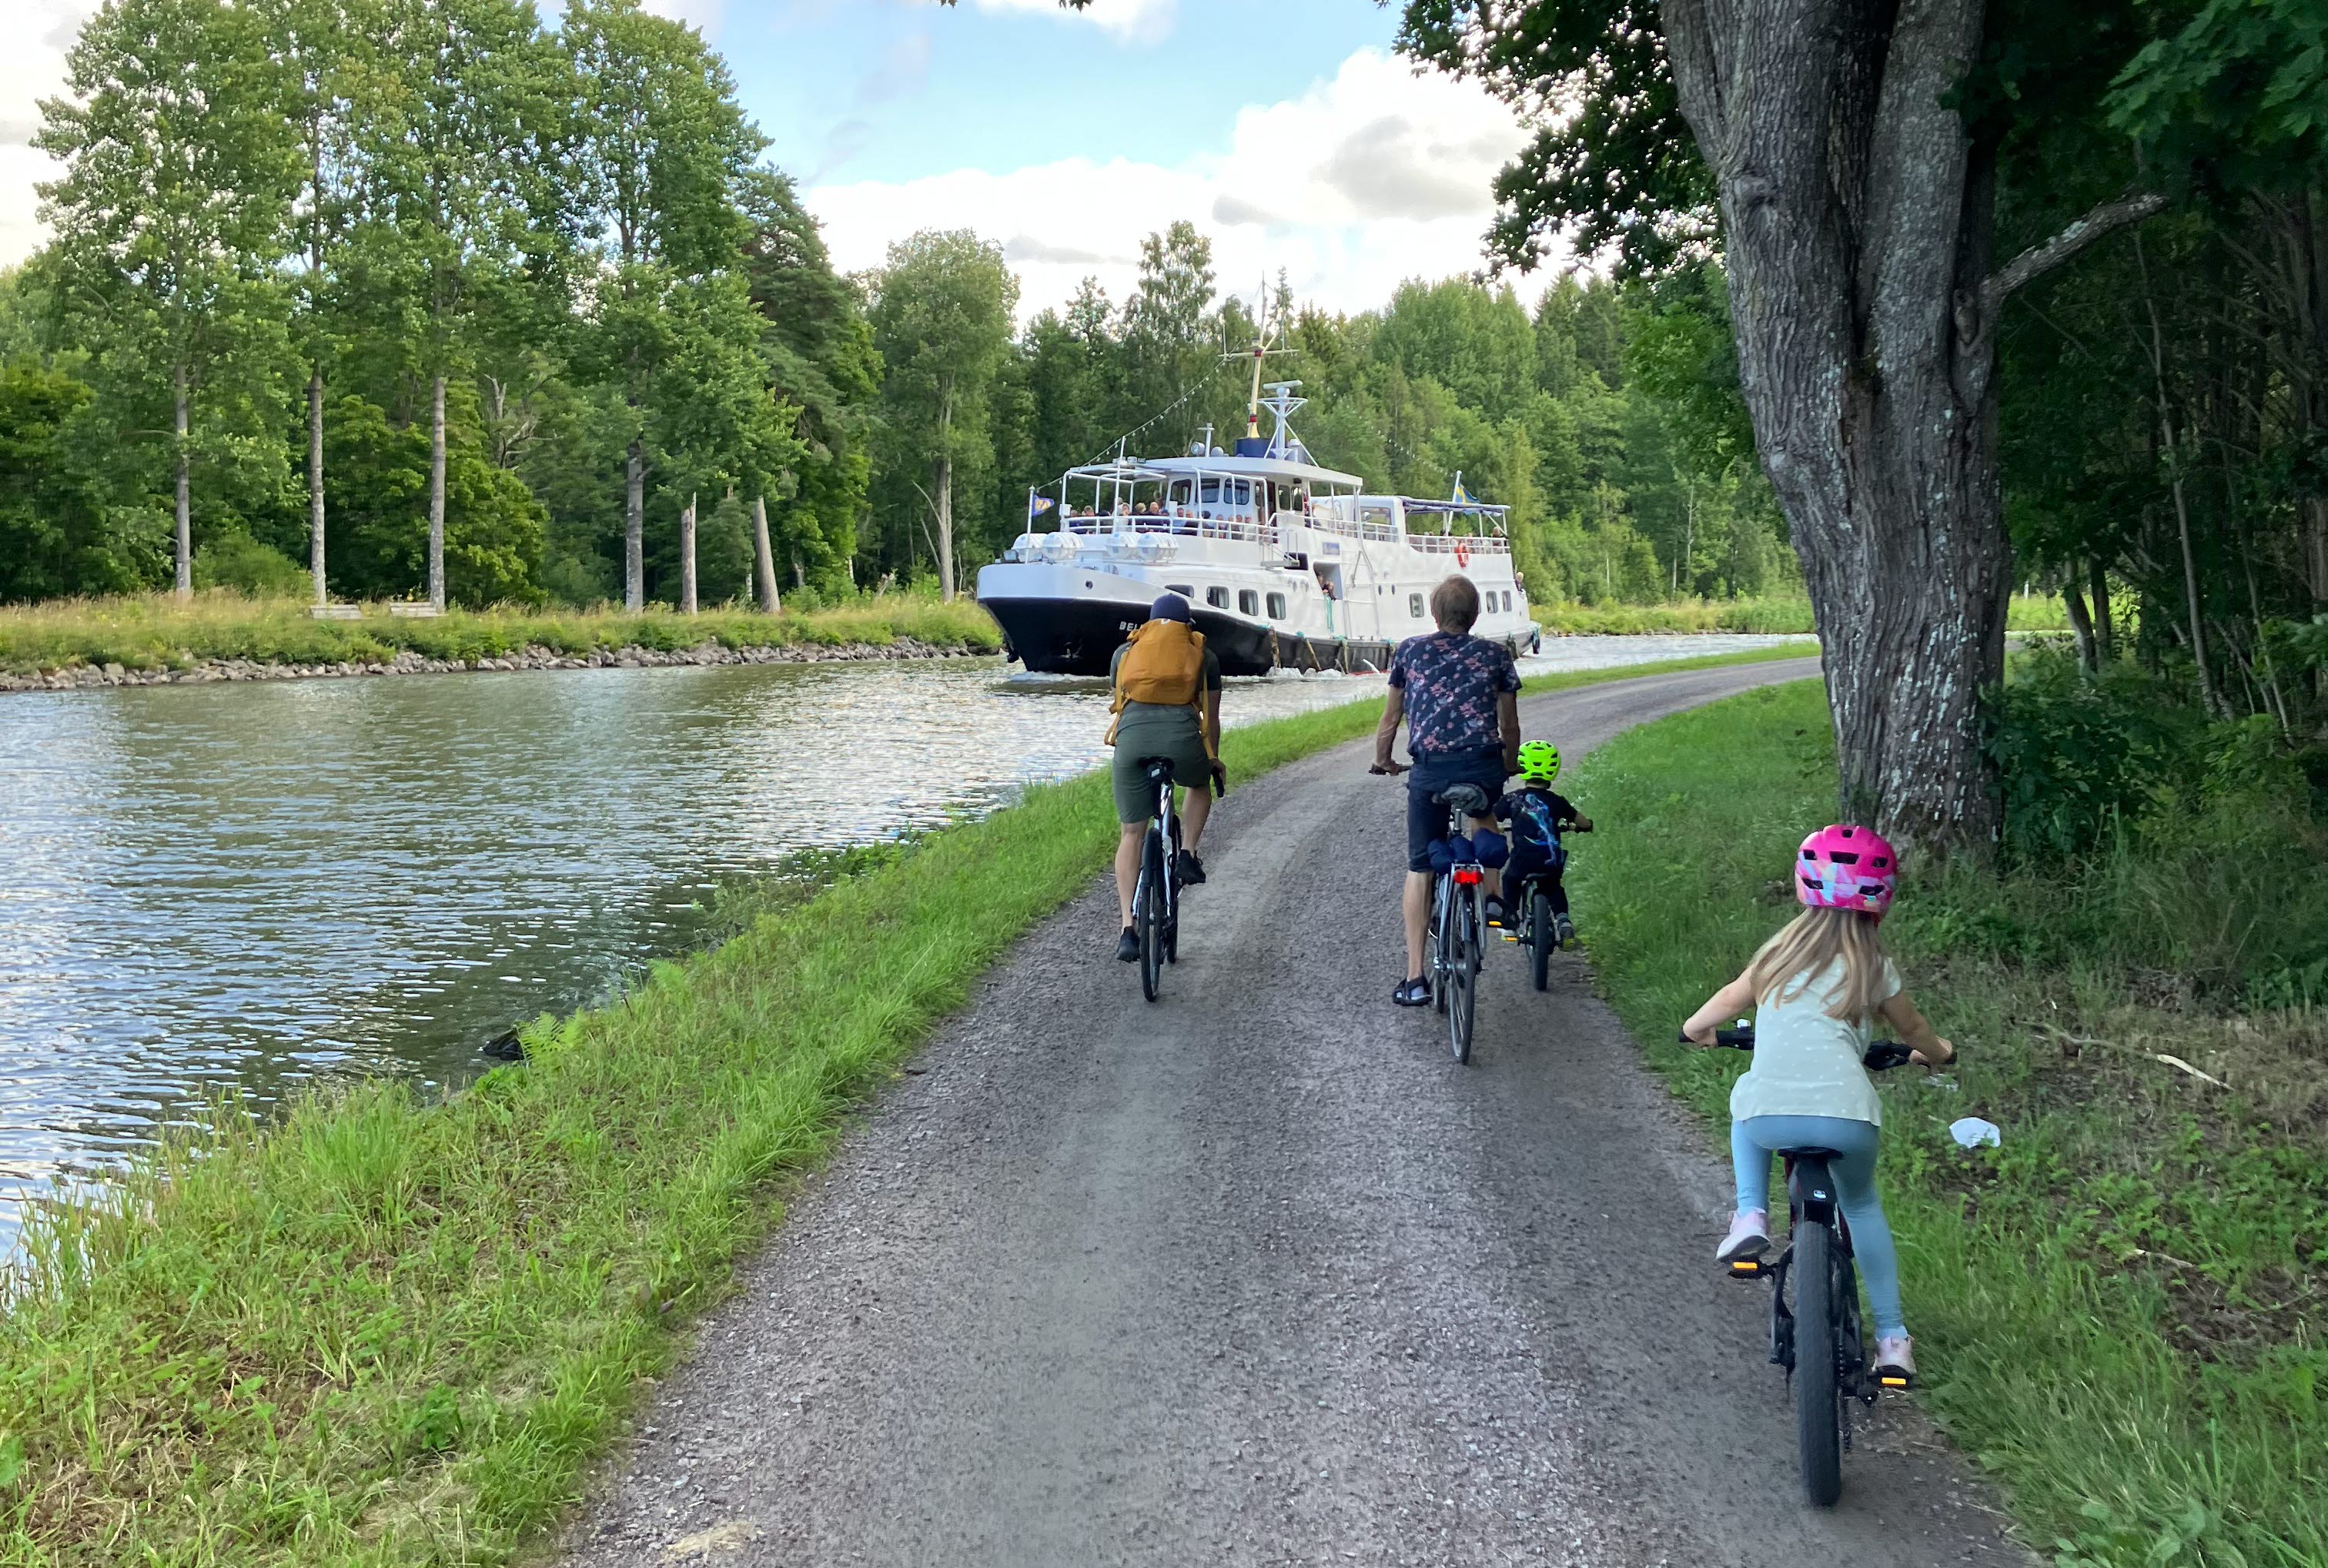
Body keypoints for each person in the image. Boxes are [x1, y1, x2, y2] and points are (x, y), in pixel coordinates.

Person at [1680, 824, 1956, 1383]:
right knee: (1861, 1206)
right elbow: (1915, 1028)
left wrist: (1697, 1031)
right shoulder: (1873, 968)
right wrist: (1939, 1053)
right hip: (1848, 1116)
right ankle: (1894, 1339)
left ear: (1805, 888)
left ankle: (1751, 1213)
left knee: (1746, 1102)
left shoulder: (1777, 957)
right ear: (1882, 899)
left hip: (1771, 1115)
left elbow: (1714, 1010)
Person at [1370, 574, 1521, 1007]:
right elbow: (1509, 724)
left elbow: (1391, 718)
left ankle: (1416, 977)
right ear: (1476, 616)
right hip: (1482, 765)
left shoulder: (1411, 650)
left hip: (1431, 772)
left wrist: (1384, 759)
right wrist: (1508, 764)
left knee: (1420, 865)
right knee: (1484, 813)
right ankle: (1492, 897)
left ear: (1434, 614)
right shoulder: (1496, 654)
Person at [1107, 592, 1226, 961]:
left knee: (1131, 833)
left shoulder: (1125, 653)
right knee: (1198, 785)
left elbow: (1119, 698)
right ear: (1187, 627)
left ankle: (1129, 927)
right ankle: (1188, 854)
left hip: (1132, 740)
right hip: (1182, 738)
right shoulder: (1202, 655)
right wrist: (1213, 758)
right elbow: (1211, 717)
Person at [1495, 740, 1590, 946]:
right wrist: (1586, 825)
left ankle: (1510, 922)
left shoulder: (1513, 799)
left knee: (1511, 880)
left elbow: (1493, 817)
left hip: (1523, 860)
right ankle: (1563, 920)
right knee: (1553, 887)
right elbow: (1581, 820)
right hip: (1550, 860)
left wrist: (1497, 828)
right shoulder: (1557, 801)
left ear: (1521, 766)